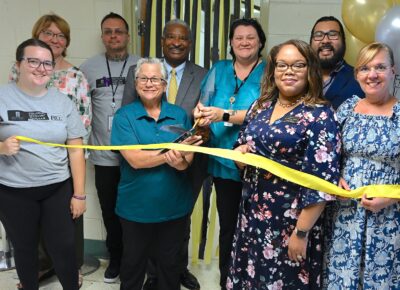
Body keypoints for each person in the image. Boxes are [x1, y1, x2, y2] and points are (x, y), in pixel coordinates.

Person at [226, 39, 341, 289]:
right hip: (251, 216)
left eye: (298, 65)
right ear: (273, 70)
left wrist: (301, 233)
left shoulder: (320, 115)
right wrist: (240, 156)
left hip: (291, 222)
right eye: (282, 65)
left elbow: (321, 182)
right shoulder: (261, 106)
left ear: (310, 70)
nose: (289, 71)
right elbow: (240, 145)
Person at [122, 19, 207, 290]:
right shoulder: (141, 77)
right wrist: (170, 152)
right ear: (162, 41)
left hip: (186, 165)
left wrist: (189, 149)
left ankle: (175, 272)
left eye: (182, 38)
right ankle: (154, 275)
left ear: (190, 43)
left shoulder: (202, 75)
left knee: (177, 227)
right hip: (141, 179)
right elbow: (129, 115)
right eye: (170, 36)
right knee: (139, 245)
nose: (176, 42)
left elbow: (204, 121)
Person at [9, 13, 91, 288]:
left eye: (46, 63)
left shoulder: (63, 100)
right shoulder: (3, 96)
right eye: (33, 61)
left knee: (64, 246)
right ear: (19, 64)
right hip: (13, 190)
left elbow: (77, 147)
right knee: (25, 247)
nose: (41, 68)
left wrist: (79, 193)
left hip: (57, 184)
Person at [193, 18, 266, 288]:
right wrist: (200, 114)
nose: (244, 42)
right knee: (229, 227)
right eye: (238, 38)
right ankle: (228, 280)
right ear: (231, 43)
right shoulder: (220, 68)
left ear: (260, 42)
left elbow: (267, 114)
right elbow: (203, 103)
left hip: (258, 162)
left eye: (250, 37)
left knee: (257, 228)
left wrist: (224, 114)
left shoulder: (270, 71)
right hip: (223, 160)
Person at [323, 42, 400, 289]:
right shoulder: (347, 108)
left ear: (393, 71)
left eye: (380, 67)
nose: (372, 75)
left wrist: (391, 197)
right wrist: (333, 177)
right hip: (344, 216)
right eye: (365, 68)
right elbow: (328, 156)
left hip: (389, 218)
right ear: (357, 74)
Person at [80, 12, 139, 283]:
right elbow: (80, 111)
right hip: (104, 158)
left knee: (137, 211)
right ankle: (115, 259)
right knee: (110, 212)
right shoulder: (88, 68)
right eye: (108, 31)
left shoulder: (142, 65)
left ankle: (136, 260)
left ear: (128, 36)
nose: (113, 36)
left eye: (119, 31)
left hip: (136, 158)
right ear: (102, 36)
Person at [310, 16, 364, 109]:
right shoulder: (298, 76)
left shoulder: (361, 79)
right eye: (318, 35)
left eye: (333, 34)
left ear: (343, 41)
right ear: (310, 42)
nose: (325, 40)